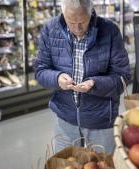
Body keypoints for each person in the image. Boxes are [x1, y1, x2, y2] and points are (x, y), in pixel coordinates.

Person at [35, 0, 130, 155]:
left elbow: (123, 77)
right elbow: (40, 71)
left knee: (102, 164)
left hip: (101, 119)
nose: (77, 28)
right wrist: (57, 78)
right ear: (63, 13)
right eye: (71, 22)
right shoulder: (50, 30)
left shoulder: (110, 31)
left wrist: (95, 83)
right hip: (65, 118)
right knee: (66, 164)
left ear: (91, 12)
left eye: (82, 22)